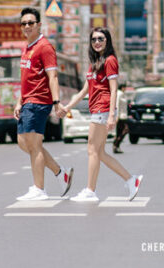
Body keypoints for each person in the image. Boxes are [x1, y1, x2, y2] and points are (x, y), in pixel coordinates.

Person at [58, 26, 142, 203]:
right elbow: (84, 91)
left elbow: (113, 90)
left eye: (101, 39)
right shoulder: (95, 63)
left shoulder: (110, 60)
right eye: (94, 39)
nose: (97, 42)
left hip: (102, 109)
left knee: (92, 150)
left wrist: (111, 115)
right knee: (100, 152)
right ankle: (130, 179)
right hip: (97, 109)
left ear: (107, 41)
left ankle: (90, 190)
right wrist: (67, 107)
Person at [13, 7, 73, 201]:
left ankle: (39, 189)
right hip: (27, 100)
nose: (27, 26)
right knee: (24, 143)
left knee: (34, 144)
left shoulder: (45, 46)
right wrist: (18, 101)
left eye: (31, 23)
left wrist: (56, 102)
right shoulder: (27, 47)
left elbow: (53, 76)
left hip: (39, 101)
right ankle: (59, 172)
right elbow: (25, 78)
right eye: (24, 23)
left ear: (39, 25)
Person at [112, 88, 129, 154]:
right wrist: (117, 116)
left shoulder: (120, 93)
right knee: (125, 129)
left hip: (122, 116)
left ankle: (116, 146)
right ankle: (116, 143)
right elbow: (117, 105)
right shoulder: (120, 94)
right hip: (121, 116)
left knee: (119, 131)